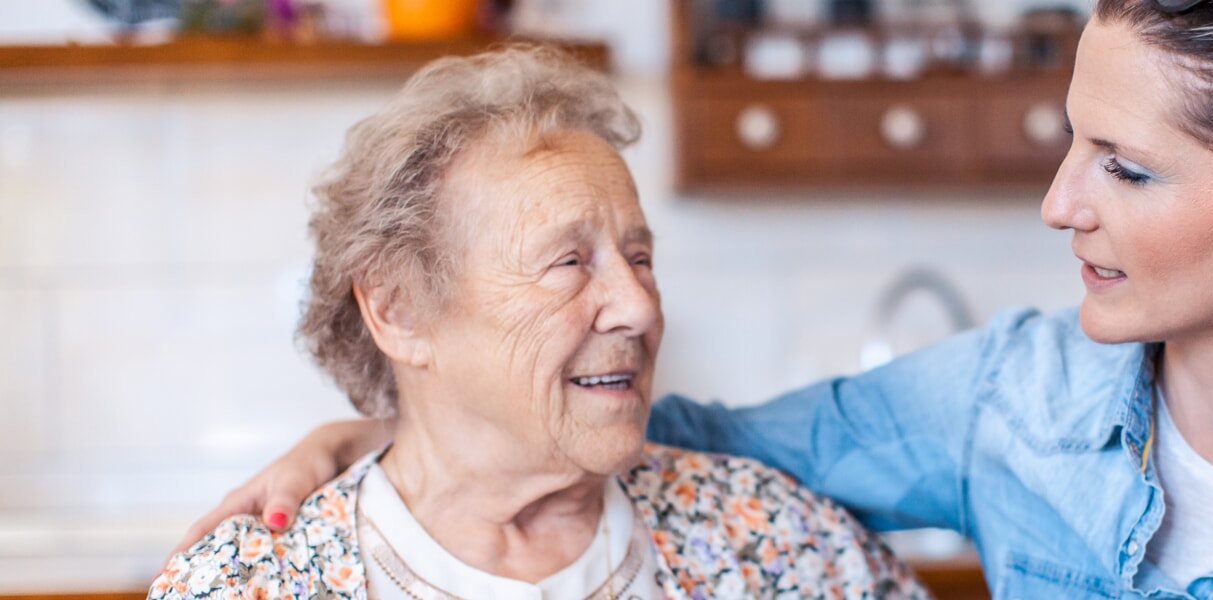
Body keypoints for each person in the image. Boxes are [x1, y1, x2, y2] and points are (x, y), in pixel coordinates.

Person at [175, 0, 1213, 597]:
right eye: (1072, 145)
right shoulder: (1011, 401)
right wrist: (363, 450)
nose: (1058, 202)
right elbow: (669, 432)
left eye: (1122, 169)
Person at [151, 45, 926, 600]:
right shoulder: (251, 584)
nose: (639, 306)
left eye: (640, 257)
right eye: (569, 263)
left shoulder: (776, 539)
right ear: (396, 310)